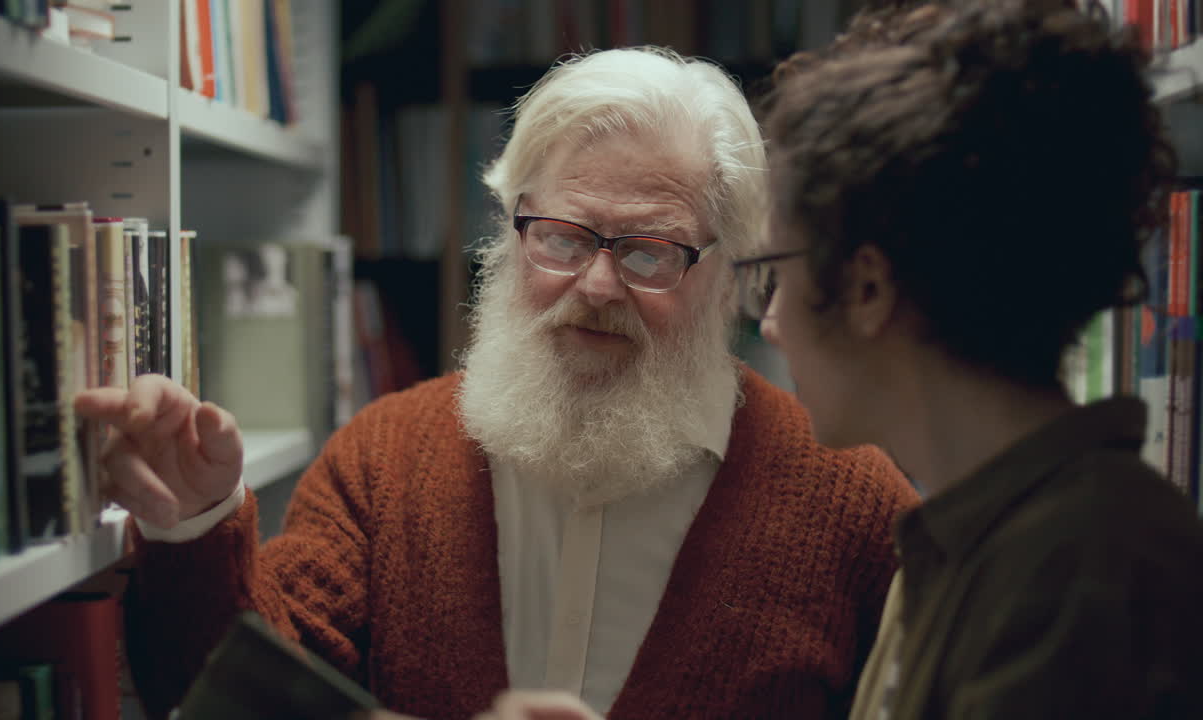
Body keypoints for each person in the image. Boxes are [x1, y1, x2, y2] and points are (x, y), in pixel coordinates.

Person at [76, 47, 917, 720]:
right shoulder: (384, 460)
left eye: (649, 252)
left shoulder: (854, 505)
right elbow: (236, 697)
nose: (595, 285)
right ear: (509, 230)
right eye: (559, 236)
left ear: (728, 271)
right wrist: (195, 524)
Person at [756, 1, 1203, 717]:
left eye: (778, 268)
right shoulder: (967, 533)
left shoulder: (1078, 577)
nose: (770, 321)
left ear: (868, 286)